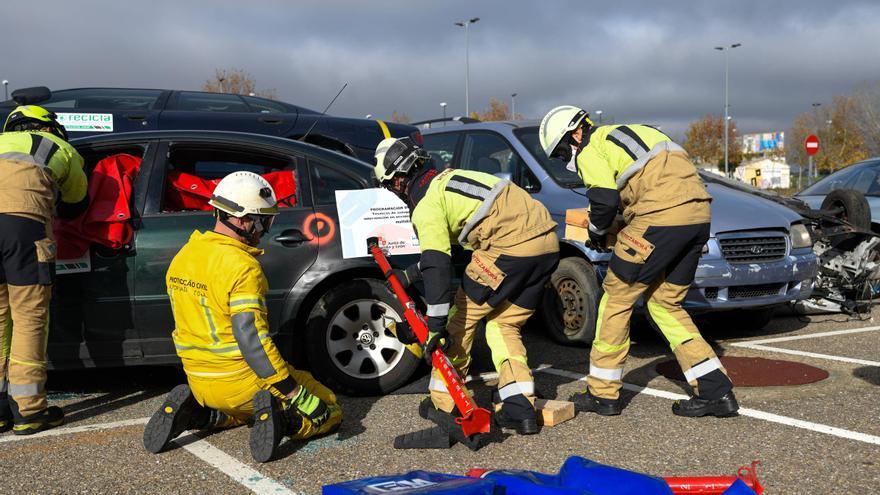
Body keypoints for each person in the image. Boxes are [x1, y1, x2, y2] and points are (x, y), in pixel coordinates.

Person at [539, 105, 738, 418]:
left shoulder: (592, 148)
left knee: (616, 298)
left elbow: (603, 202)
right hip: (698, 217)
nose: (566, 161)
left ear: (576, 134)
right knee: (665, 304)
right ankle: (715, 390)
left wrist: (594, 231)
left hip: (658, 219)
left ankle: (603, 394)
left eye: (563, 153)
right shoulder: (635, 132)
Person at [143, 171, 341, 462]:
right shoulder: (243, 267)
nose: (265, 230)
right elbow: (251, 339)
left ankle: (203, 414)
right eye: (264, 220)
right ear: (244, 219)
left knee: (247, 410)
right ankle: (288, 421)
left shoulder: (184, 256)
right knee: (330, 408)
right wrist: (292, 392)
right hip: (241, 380)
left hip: (198, 379)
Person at [374, 137, 559, 438]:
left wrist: (435, 324)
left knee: (460, 320)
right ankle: (519, 407)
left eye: (389, 185)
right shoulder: (452, 178)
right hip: (547, 244)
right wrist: (410, 274)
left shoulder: (427, 203)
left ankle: (446, 404)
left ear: (398, 179)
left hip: (508, 247)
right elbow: (437, 256)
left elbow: (437, 264)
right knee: (504, 324)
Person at [0, 105, 89, 435]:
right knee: (28, 318)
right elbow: (77, 202)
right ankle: (29, 411)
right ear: (47, 126)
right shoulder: (58, 148)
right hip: (23, 231)